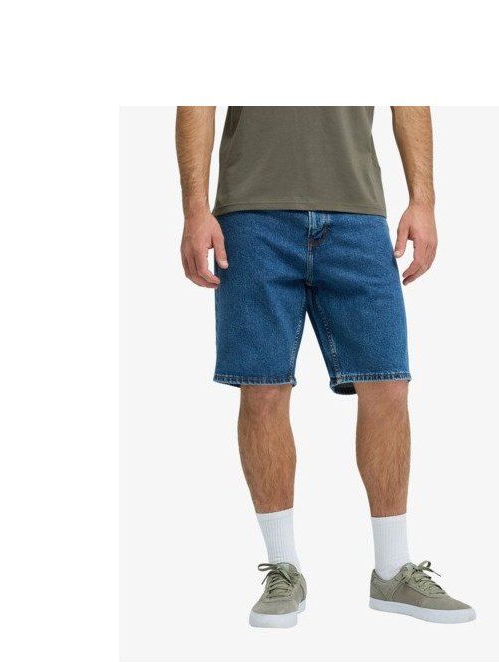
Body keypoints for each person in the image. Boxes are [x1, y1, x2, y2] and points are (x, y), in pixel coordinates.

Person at [175, 106, 475, 628]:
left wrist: (423, 200)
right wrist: (194, 209)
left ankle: (393, 570)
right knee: (264, 387)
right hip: (251, 213)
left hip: (357, 213)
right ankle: (283, 569)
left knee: (388, 383)